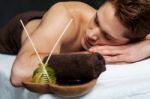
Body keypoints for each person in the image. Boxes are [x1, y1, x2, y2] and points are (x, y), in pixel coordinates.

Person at [0, 0, 150, 87]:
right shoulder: (65, 14)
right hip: (16, 33)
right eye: (96, 19)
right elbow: (19, 73)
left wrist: (142, 48)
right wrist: (93, 57)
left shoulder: (135, 33)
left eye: (107, 36)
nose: (91, 34)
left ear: (131, 40)